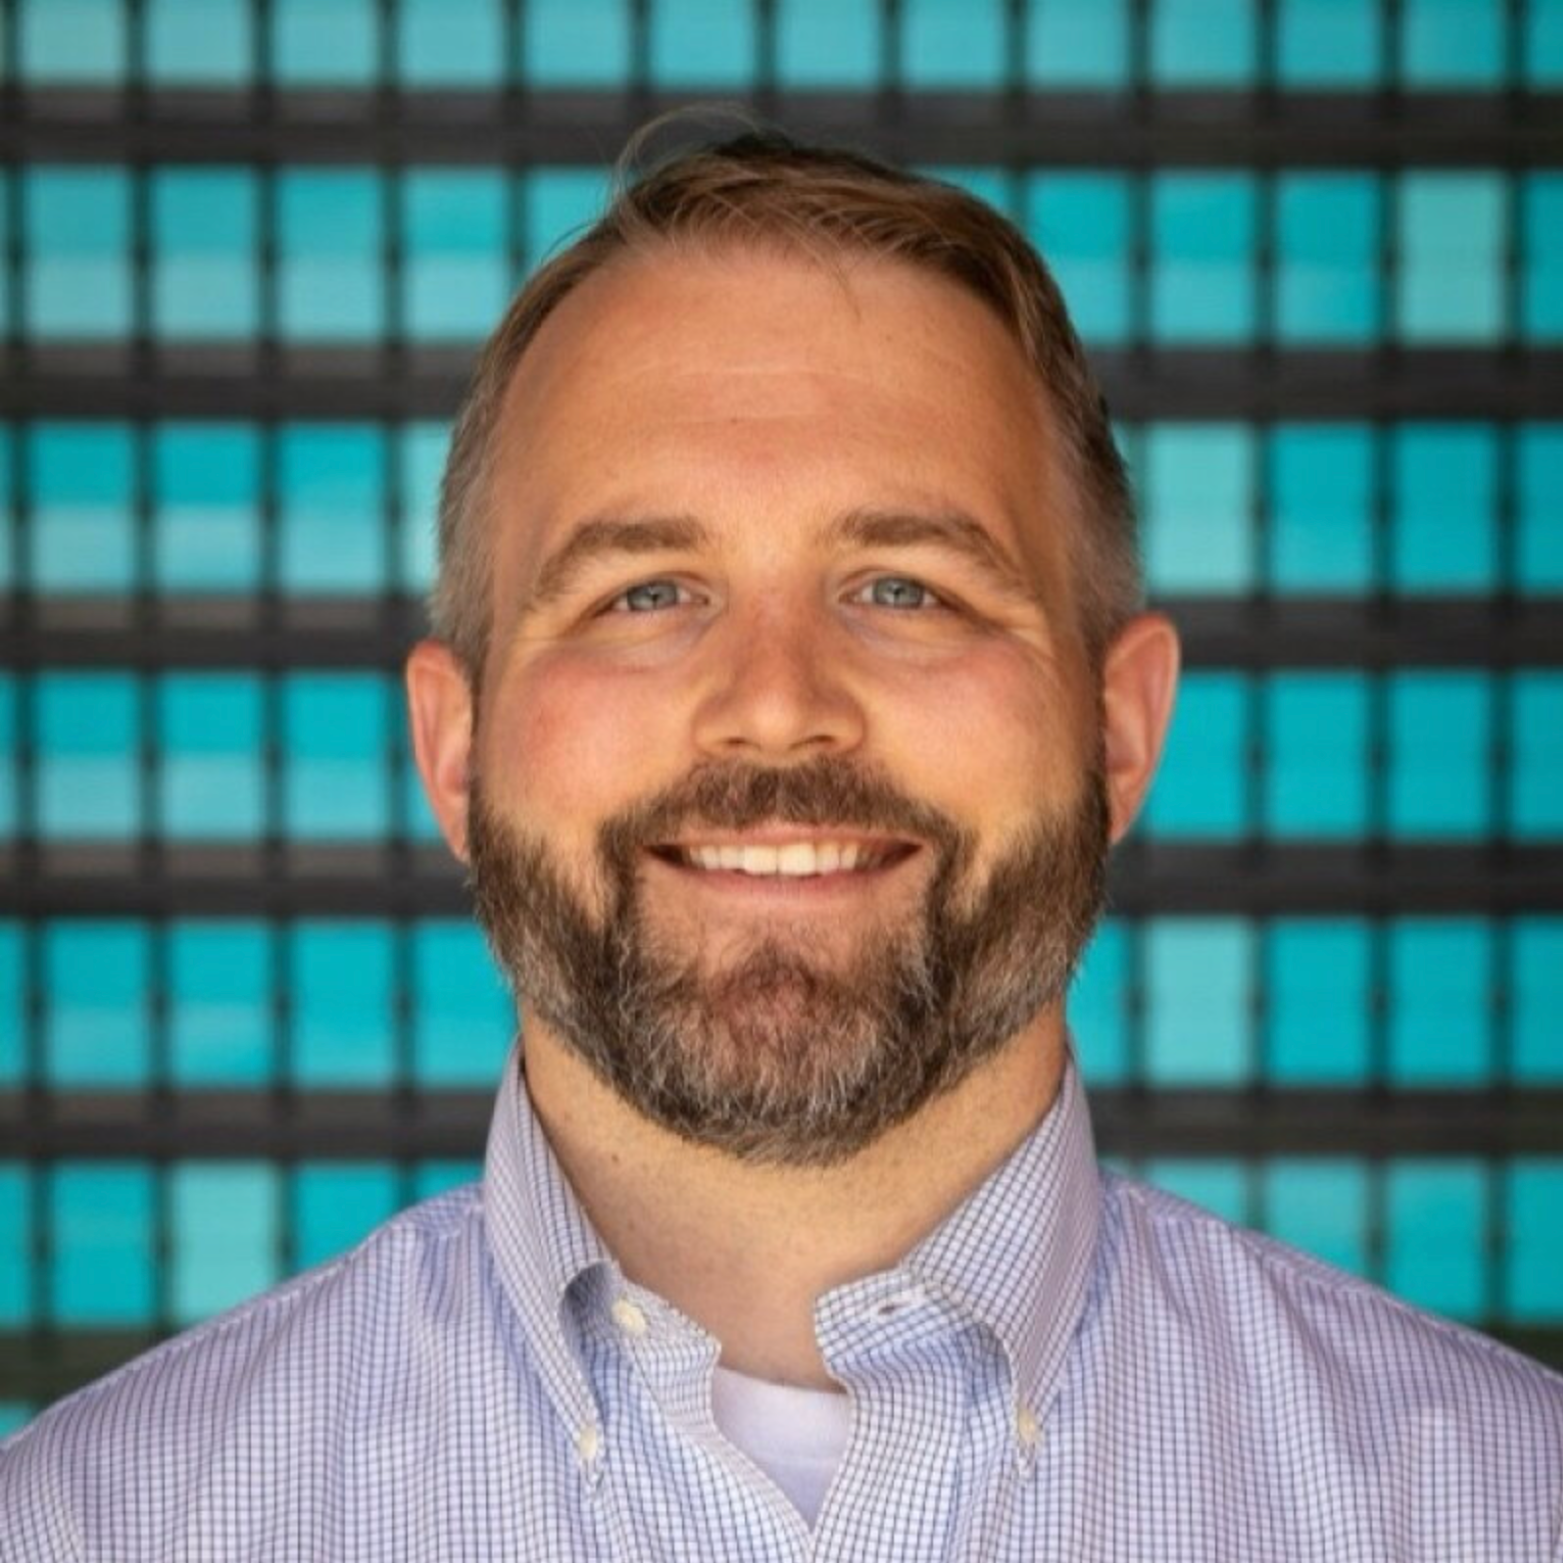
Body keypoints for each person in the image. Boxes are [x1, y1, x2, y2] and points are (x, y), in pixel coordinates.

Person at [2, 125, 1559, 1562]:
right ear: (455, 749)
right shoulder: (89, 1526)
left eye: (903, 587)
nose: (774, 705)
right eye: (643, 592)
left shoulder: (1503, 1504)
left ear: (1115, 728)